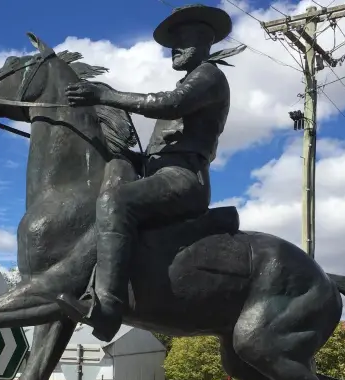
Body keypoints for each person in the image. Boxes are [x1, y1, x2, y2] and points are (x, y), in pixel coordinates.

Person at [55, 4, 237, 342]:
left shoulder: (209, 76)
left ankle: (107, 308)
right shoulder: (192, 81)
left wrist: (106, 94)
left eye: (183, 40)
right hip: (162, 174)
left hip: (184, 180)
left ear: (203, 41)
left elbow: (170, 102)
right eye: (172, 42)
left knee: (116, 202)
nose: (175, 48)